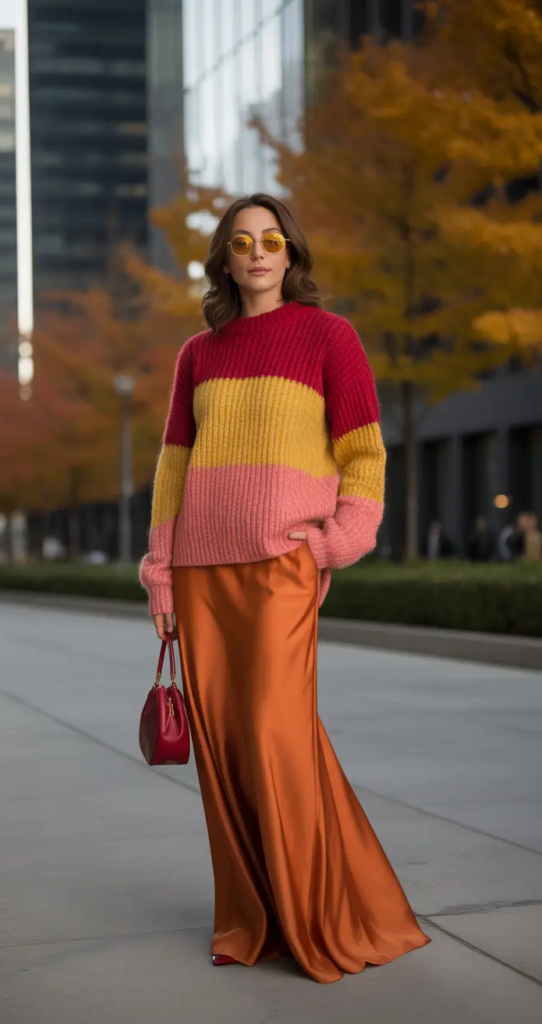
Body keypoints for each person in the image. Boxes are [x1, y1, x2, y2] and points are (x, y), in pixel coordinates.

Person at [139, 193, 431, 984]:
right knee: (228, 750)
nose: (258, 253)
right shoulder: (198, 352)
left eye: (272, 240)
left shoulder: (331, 337)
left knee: (274, 734)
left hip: (279, 569)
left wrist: (339, 540)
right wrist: (160, 571)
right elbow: (173, 466)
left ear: (292, 254)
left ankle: (320, 913)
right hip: (200, 570)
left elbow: (363, 454)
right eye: (242, 242)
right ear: (225, 259)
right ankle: (248, 919)